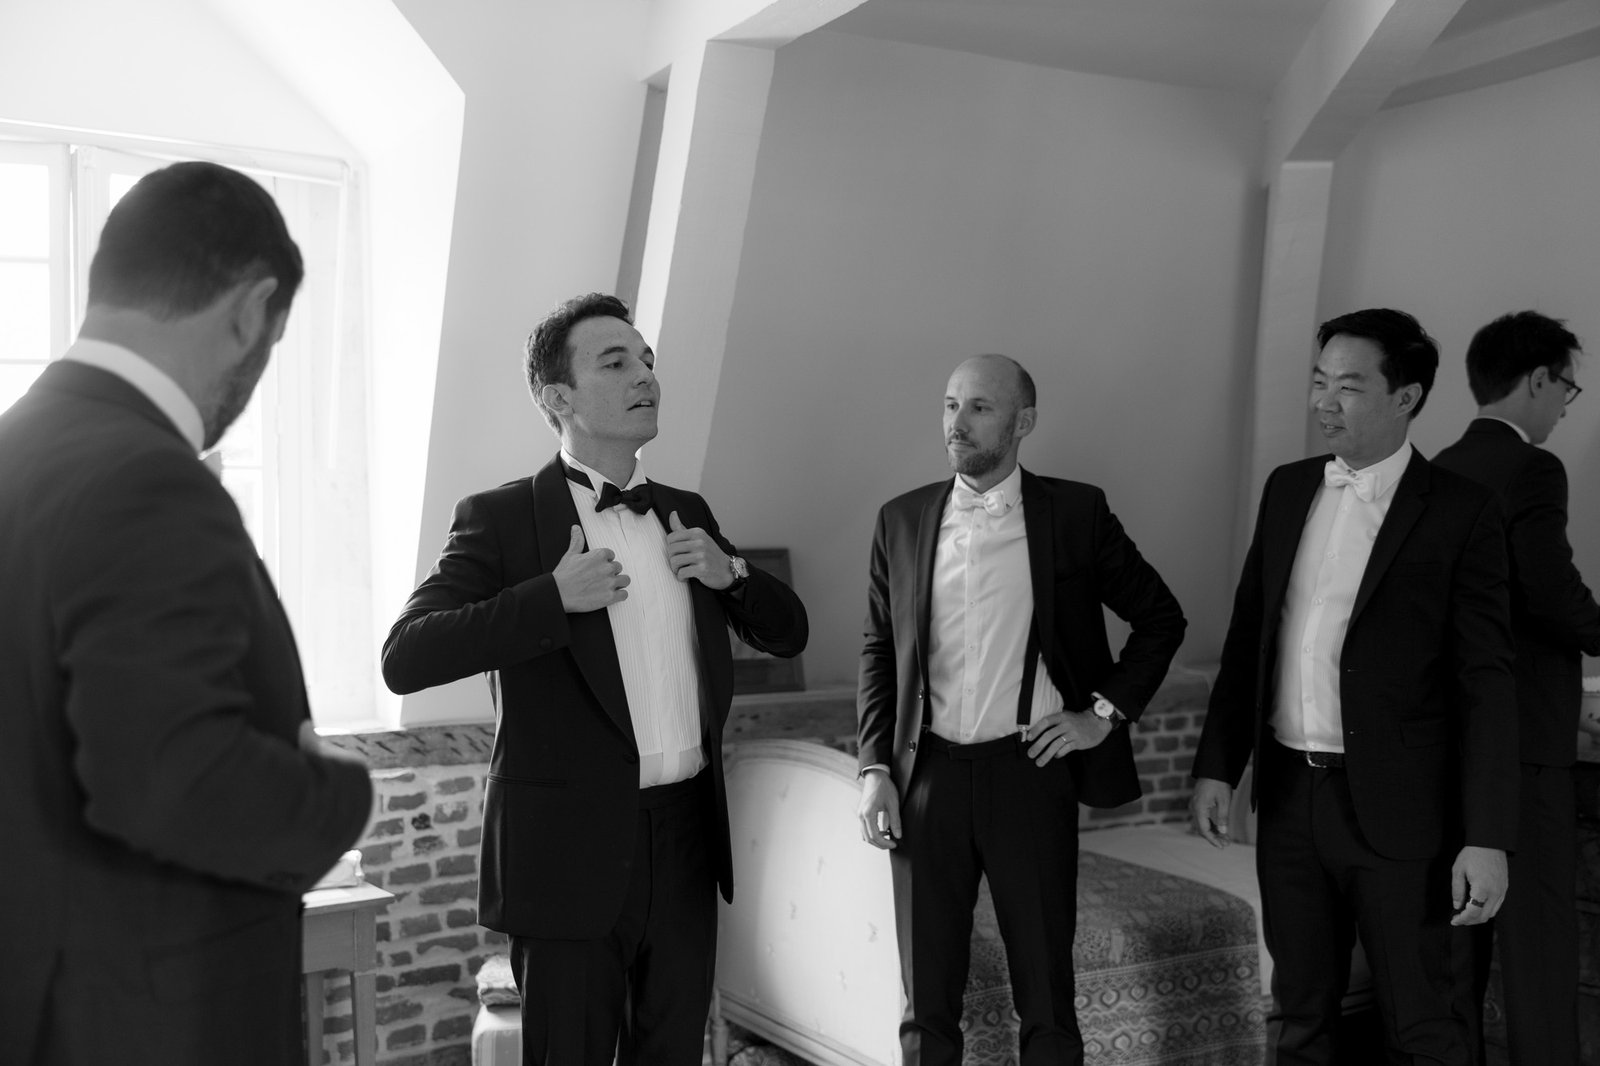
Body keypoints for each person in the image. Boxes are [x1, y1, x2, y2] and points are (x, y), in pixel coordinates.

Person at [0, 161, 375, 1066]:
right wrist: (340, 790)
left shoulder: (19, 451)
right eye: (270, 342)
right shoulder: (149, 479)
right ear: (250, 312)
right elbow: (169, 778)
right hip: (151, 1020)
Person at [382, 293, 807, 1066]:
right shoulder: (502, 518)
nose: (645, 374)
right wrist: (549, 597)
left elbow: (789, 630)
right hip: (564, 857)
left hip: (684, 843)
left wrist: (732, 572)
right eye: (616, 361)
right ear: (558, 397)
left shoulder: (687, 512)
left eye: (647, 360)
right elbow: (405, 655)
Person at [1190, 308, 1519, 1065]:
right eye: (1318, 382)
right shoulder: (1287, 489)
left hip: (1405, 814)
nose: (1324, 402)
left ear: (1405, 399)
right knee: (1298, 1015)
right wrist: (1216, 765)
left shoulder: (1463, 512)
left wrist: (1488, 836)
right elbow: (1250, 642)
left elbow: (1486, 685)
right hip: (1290, 799)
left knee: (1423, 1024)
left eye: (1348, 386)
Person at [856, 354, 1186, 1065]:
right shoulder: (902, 519)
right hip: (927, 781)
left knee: (1046, 997)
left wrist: (1100, 713)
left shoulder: (1075, 514)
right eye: (949, 405)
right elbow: (878, 651)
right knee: (926, 1005)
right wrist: (872, 766)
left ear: (1023, 421)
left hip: (1029, 776)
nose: (956, 422)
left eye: (978, 407)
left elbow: (1162, 618)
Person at [1432, 310, 1600, 1066]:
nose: (1566, 404)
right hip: (1527, 742)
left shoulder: (1436, 466)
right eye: (1567, 387)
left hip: (1447, 745)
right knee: (1537, 947)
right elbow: (1549, 592)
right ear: (1537, 379)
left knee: (1456, 948)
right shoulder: (1533, 469)